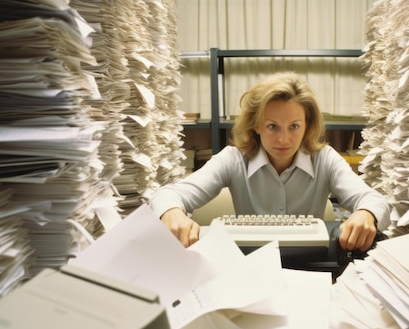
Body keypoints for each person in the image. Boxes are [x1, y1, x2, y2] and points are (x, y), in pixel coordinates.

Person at [150, 71, 390, 251]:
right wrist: (172, 212)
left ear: (307, 126)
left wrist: (366, 213)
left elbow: (374, 200)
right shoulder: (233, 159)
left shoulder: (325, 159)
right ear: (256, 125)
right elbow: (167, 195)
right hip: (249, 265)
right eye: (272, 126)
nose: (284, 139)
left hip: (310, 264)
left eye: (294, 126)